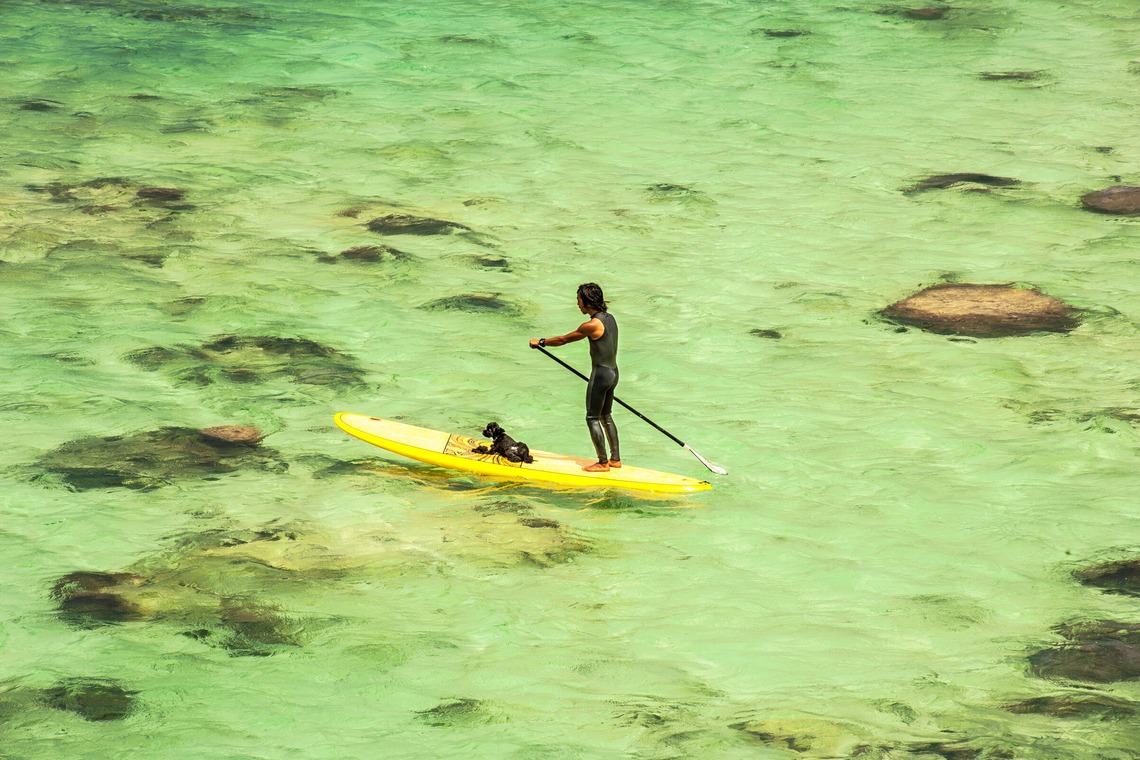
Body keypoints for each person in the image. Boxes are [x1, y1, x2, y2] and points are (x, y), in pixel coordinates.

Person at [530, 283, 620, 472]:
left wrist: (541, 342)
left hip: (601, 375)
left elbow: (564, 339)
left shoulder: (591, 325)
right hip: (613, 373)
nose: (577, 304)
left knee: (592, 417)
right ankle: (615, 459)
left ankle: (603, 463)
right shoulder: (610, 319)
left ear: (587, 302)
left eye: (579, 300)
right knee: (606, 416)